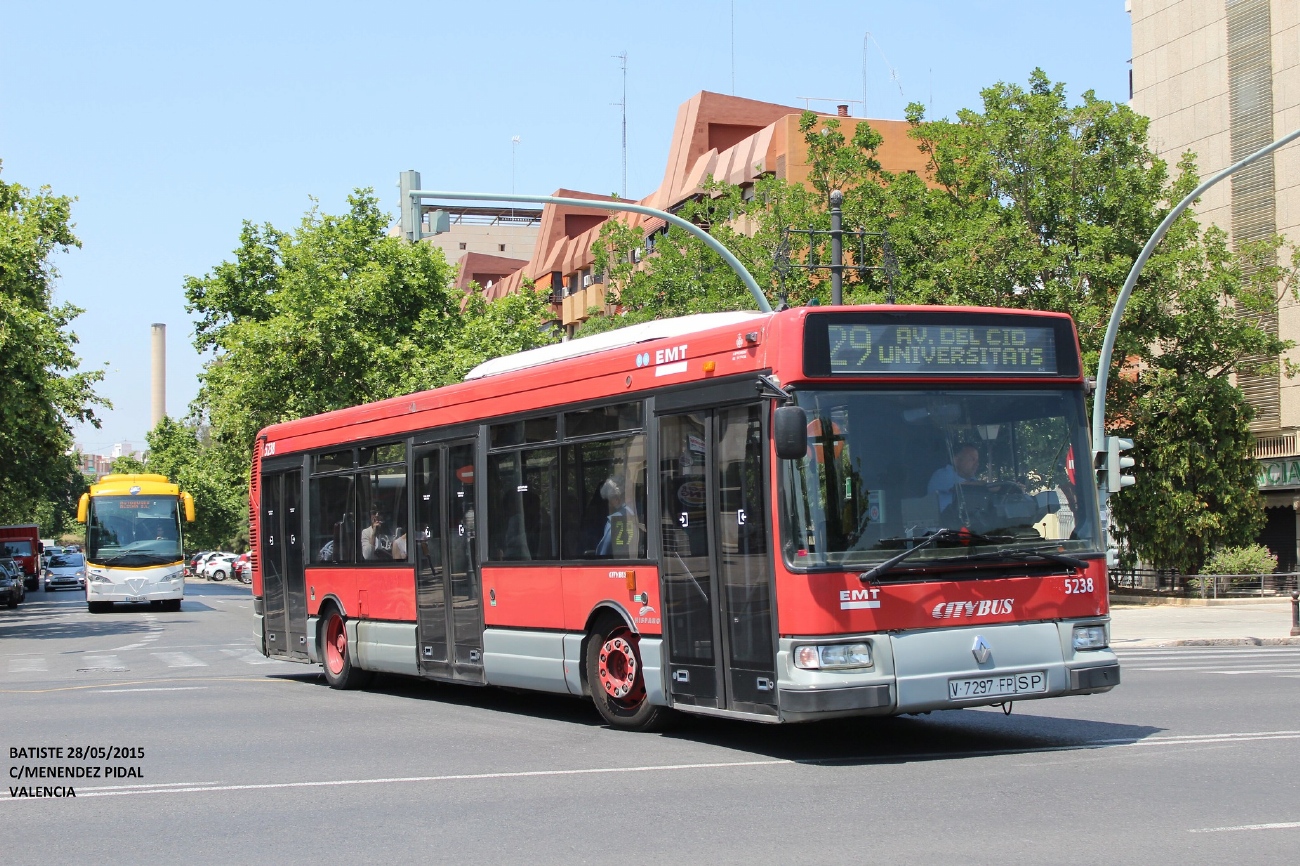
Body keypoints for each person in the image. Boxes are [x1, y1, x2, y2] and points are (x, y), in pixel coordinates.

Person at [927, 444, 981, 511]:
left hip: (967, 519)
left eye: (977, 460)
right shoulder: (943, 474)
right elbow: (963, 487)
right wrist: (989, 486)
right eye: (972, 459)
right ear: (956, 460)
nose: (977, 464)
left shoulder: (972, 479)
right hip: (942, 519)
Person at [596, 477, 635, 557]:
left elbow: (603, 554)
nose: (609, 504)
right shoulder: (638, 511)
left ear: (616, 499)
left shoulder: (615, 521)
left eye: (609, 500)